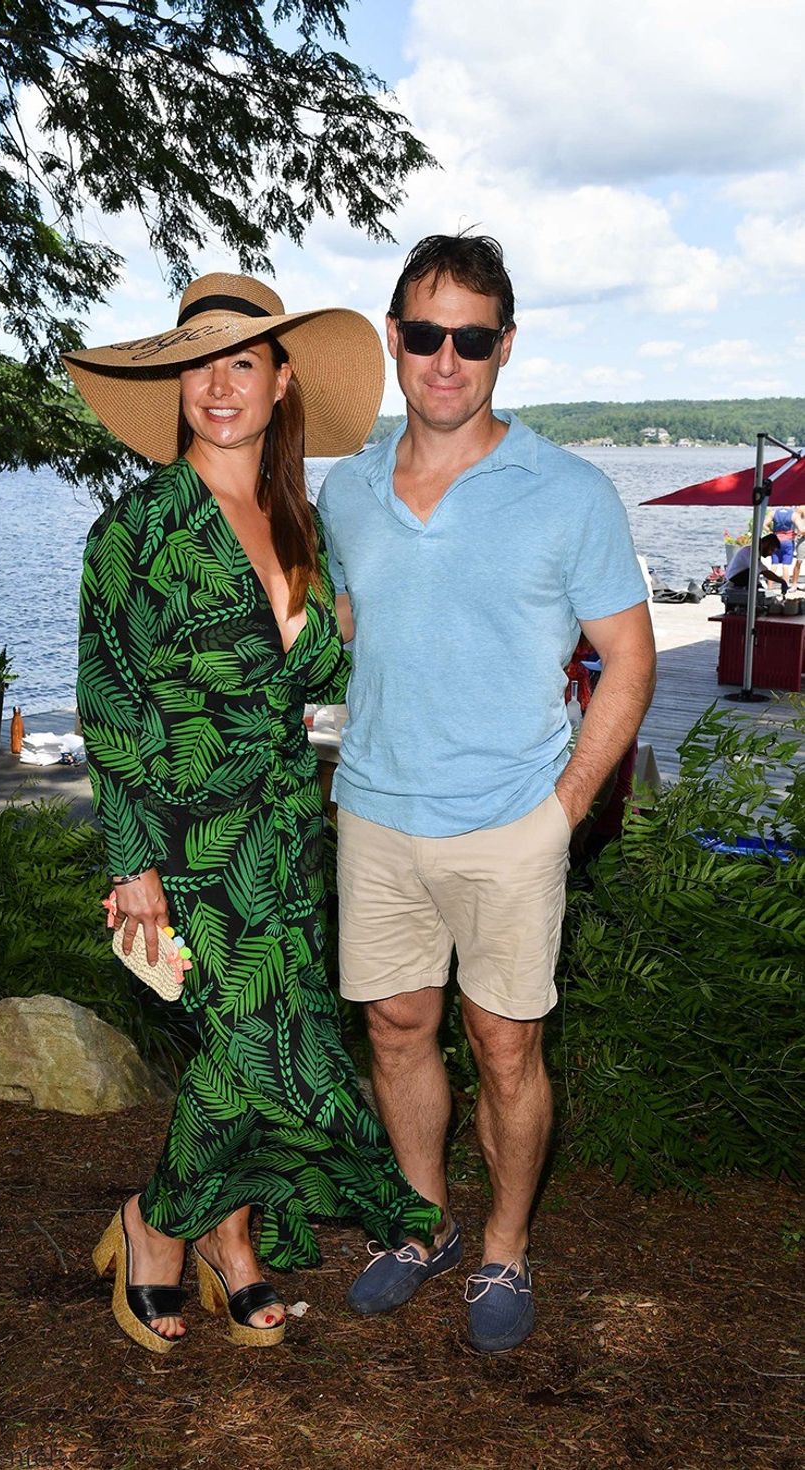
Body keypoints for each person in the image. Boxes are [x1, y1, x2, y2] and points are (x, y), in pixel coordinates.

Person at [65, 274, 440, 1356]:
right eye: (197, 364)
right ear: (175, 385)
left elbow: (331, 668)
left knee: (267, 1039)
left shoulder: (301, 525)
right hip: (183, 841)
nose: (216, 385)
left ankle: (230, 1248)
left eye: (241, 362)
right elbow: (109, 704)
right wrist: (130, 862)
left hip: (280, 834)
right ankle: (155, 1228)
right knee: (250, 1054)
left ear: (281, 385)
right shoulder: (136, 530)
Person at [317, 233, 656, 1353]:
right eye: (424, 334)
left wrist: (560, 810)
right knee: (396, 1026)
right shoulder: (349, 492)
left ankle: (505, 1246)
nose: (445, 359)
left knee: (504, 1045)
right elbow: (349, 633)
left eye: (470, 336)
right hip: (372, 812)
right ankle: (423, 1227)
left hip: (510, 824)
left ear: (503, 346)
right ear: (393, 340)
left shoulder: (566, 491)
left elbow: (628, 656)